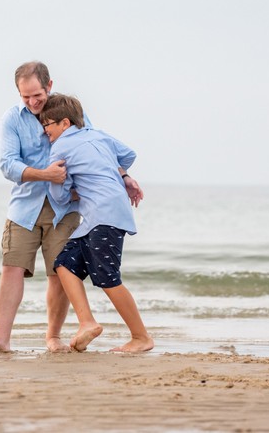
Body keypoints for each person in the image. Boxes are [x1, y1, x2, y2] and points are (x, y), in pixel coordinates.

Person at [0, 61, 144, 354]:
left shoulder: (67, 113)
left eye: (37, 94)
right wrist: (45, 175)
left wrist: (124, 176)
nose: (32, 101)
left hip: (65, 207)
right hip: (24, 205)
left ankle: (53, 337)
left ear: (49, 85)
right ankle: (2, 337)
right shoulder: (12, 119)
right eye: (25, 96)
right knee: (12, 266)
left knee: (58, 270)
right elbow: (7, 165)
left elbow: (98, 149)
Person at [40, 94, 153, 353]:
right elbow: (128, 154)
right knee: (64, 265)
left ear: (64, 123)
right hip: (101, 216)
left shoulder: (59, 148)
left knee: (108, 277)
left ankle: (141, 337)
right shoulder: (99, 135)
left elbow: (59, 194)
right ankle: (86, 322)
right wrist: (118, 175)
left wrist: (68, 188)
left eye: (48, 124)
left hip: (103, 215)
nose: (45, 130)